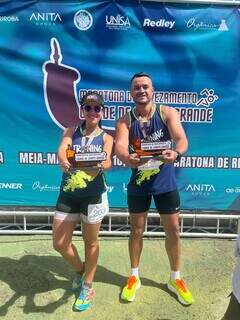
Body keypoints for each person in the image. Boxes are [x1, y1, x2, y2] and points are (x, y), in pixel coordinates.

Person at [115, 72, 194, 305]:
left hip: (165, 184)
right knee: (136, 231)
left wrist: (176, 153)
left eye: (145, 87)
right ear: (131, 93)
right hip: (138, 185)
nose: (141, 90)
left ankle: (175, 278)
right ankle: (134, 276)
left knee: (174, 231)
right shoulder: (125, 120)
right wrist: (127, 158)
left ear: (153, 90)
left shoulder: (167, 112)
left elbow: (181, 139)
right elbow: (120, 146)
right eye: (136, 87)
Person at [52, 92, 113, 312]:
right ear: (83, 110)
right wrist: (62, 159)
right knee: (59, 244)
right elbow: (62, 151)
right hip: (68, 194)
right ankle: (81, 271)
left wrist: (97, 166)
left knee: (91, 242)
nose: (93, 112)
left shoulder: (107, 137)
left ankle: (88, 285)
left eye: (97, 108)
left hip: (93, 195)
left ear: (102, 111)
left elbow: (107, 163)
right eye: (88, 107)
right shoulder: (70, 131)